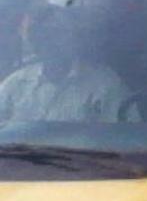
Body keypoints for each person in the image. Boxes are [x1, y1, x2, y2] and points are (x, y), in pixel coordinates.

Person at [0, 8, 131, 122]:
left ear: (74, 38)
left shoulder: (104, 84)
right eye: (44, 34)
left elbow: (125, 134)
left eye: (58, 33)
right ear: (35, 41)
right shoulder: (15, 84)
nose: (50, 41)